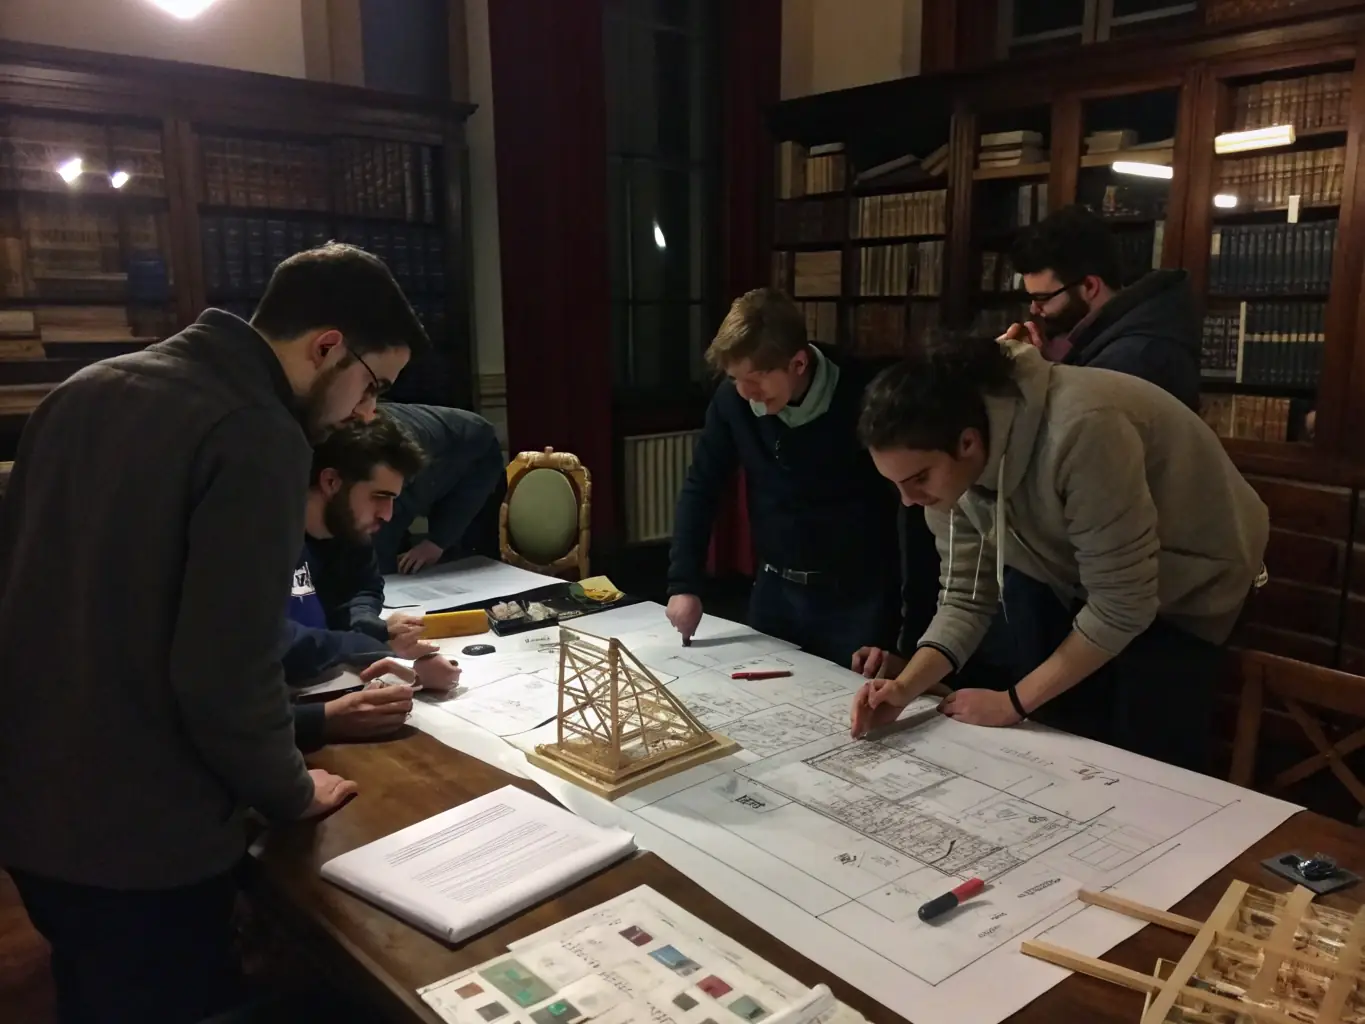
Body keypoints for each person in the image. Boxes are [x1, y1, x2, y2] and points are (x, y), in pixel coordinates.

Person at [0, 242, 425, 1024]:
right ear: (327, 346)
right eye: (373, 384)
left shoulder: (83, 390)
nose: (365, 411)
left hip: (31, 810)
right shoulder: (259, 434)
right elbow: (227, 674)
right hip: (145, 838)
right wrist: (291, 791)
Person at [849, 335, 1268, 772]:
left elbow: (1124, 603)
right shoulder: (948, 472)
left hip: (1194, 586)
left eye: (917, 479)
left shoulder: (1081, 429)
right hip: (1088, 582)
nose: (909, 500)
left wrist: (1012, 702)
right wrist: (905, 687)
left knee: (1147, 766)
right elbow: (965, 597)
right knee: (1065, 747)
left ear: (968, 443)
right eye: (894, 483)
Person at [665, 288, 916, 666]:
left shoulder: (865, 394)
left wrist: (909, 624)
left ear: (798, 364)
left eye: (757, 379)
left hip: (858, 596)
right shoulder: (733, 402)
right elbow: (702, 487)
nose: (748, 394)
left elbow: (906, 506)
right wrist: (684, 584)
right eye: (736, 379)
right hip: (775, 590)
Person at [285, 415, 463, 752]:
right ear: (331, 482)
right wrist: (383, 648)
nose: (388, 514)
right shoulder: (271, 539)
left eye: (394, 498)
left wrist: (369, 627)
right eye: (379, 496)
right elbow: (287, 646)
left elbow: (364, 589)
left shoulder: (351, 528)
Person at [1007, 204, 1202, 410]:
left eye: (1043, 298)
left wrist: (1036, 376)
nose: (1035, 309)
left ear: (1090, 287)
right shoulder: (1122, 332)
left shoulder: (1131, 360)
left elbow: (1077, 431)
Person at [373, 403, 506, 574]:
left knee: (466, 561)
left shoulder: (402, 451)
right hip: (439, 455)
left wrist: (438, 541)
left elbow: (391, 517)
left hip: (475, 455)